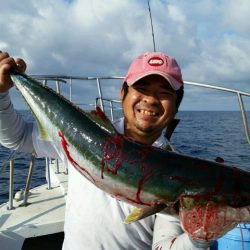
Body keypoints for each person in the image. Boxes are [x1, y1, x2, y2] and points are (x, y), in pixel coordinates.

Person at [0, 51, 236, 250]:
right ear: (123, 94)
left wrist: (199, 237)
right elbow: (17, 137)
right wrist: (1, 94)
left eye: (164, 94)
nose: (151, 100)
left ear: (176, 107)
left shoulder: (176, 172)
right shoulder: (84, 135)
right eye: (141, 88)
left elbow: (164, 245)